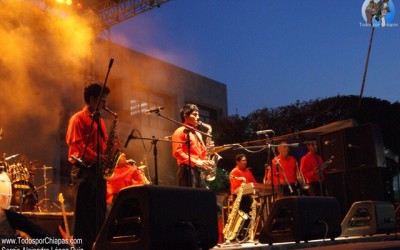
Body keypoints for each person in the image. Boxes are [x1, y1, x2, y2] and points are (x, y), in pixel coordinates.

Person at [65, 82, 110, 250]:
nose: (106, 104)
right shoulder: (78, 118)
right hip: (83, 170)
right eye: (103, 100)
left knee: (99, 214)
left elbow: (103, 145)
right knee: (83, 215)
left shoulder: (101, 121)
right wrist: (98, 157)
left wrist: (110, 151)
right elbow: (75, 145)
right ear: (92, 99)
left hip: (98, 171)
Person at [172, 104, 213, 188]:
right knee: (189, 199)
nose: (198, 117)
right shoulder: (180, 131)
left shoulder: (198, 133)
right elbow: (177, 152)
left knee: (200, 199)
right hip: (186, 171)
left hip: (198, 170)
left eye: (198, 115)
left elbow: (201, 155)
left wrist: (209, 151)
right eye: (194, 114)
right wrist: (196, 162)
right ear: (186, 116)